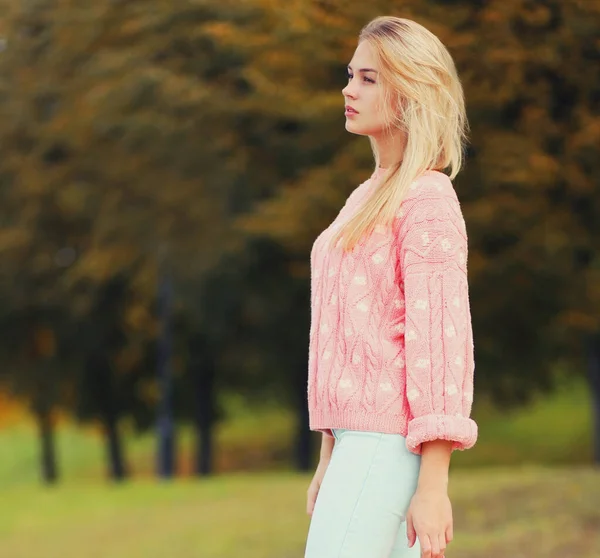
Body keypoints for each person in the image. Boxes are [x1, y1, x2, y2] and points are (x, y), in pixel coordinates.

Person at [303, 16, 478, 558]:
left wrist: (433, 486)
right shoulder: (365, 197)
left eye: (369, 79)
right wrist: (328, 458)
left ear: (410, 93)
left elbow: (440, 346)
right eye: (350, 75)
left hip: (386, 449)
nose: (348, 89)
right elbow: (346, 338)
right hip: (356, 449)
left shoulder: (426, 200)